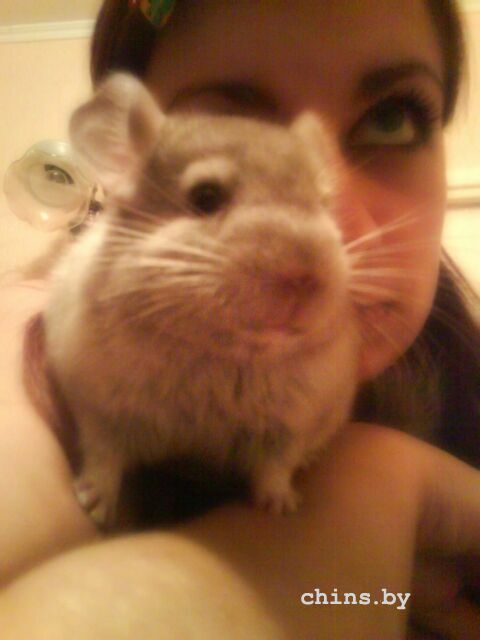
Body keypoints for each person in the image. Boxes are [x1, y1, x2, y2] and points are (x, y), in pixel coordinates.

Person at [0, 1, 479, 638]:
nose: (336, 233)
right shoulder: (44, 325)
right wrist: (382, 490)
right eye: (225, 125)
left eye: (391, 120)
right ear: (125, 164)